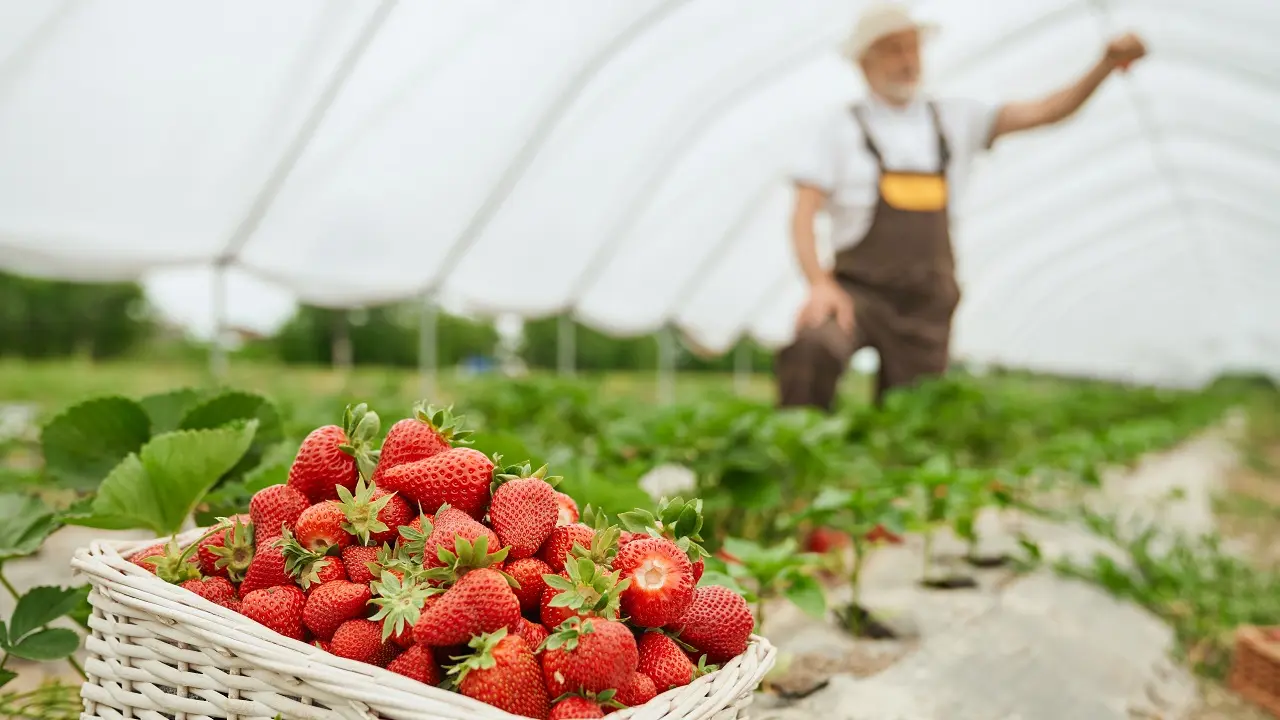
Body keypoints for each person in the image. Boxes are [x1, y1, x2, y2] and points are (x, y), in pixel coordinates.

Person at [776, 3, 1147, 410]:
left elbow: (1045, 111)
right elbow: (803, 214)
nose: (907, 60)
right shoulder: (840, 129)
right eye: (893, 50)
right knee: (814, 346)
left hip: (926, 300)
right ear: (865, 63)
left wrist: (1105, 65)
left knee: (915, 413)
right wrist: (819, 284)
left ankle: (889, 470)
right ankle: (798, 450)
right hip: (858, 292)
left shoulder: (955, 119)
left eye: (912, 48)